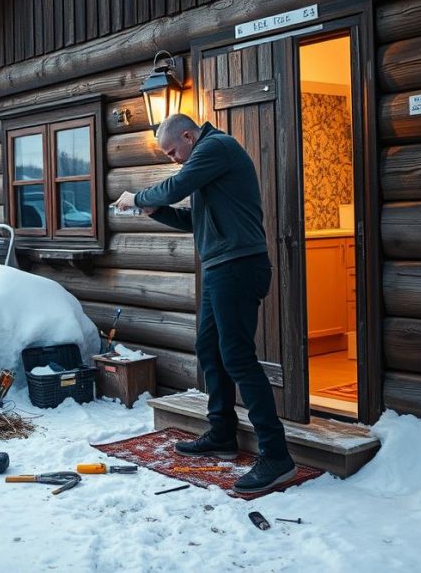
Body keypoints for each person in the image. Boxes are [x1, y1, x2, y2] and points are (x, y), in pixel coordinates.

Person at [116, 113, 295, 493]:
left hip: (238, 266)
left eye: (172, 152)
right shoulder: (207, 164)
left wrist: (139, 198)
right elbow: (192, 220)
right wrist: (154, 210)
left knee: (238, 357)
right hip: (220, 268)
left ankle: (277, 456)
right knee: (209, 350)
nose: (173, 159)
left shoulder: (217, 147)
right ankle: (222, 435)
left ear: (188, 135)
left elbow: (175, 186)